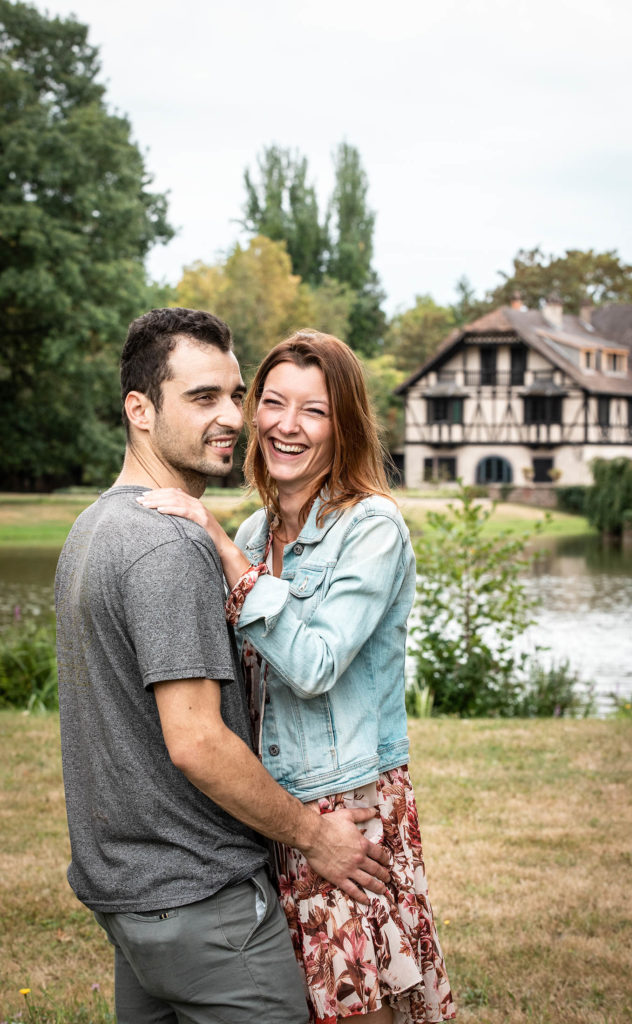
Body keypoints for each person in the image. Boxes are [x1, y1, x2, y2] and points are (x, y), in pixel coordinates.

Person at [55, 309, 391, 1024]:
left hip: (133, 900)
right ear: (139, 410)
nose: (234, 418)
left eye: (236, 395)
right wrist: (310, 833)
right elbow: (197, 741)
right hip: (203, 906)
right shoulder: (170, 546)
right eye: (203, 398)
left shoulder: (94, 527)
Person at [138, 329, 456, 1024]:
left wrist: (221, 551)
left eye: (312, 411)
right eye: (272, 403)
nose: (286, 425)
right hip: (270, 815)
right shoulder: (253, 535)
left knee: (354, 1000)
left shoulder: (369, 528)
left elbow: (312, 666)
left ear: (341, 426)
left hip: (346, 807)